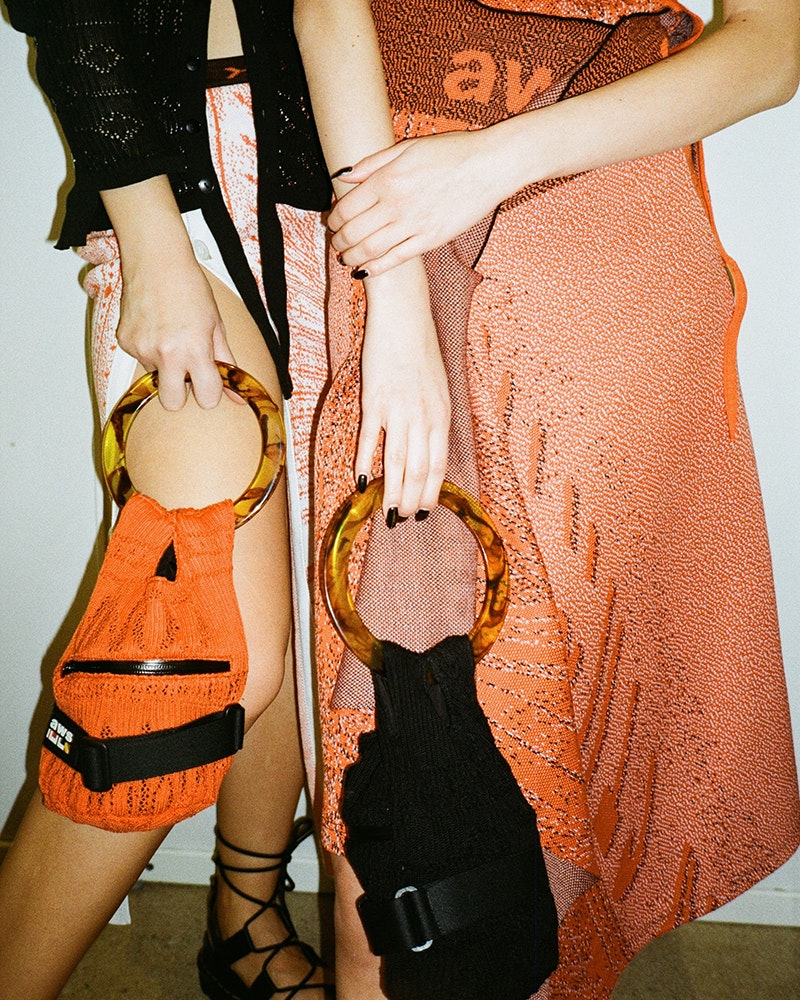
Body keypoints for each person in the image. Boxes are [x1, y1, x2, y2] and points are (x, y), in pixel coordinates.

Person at [292, 1, 800, 998]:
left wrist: (487, 163)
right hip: (399, 221)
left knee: (576, 765)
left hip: (610, 260)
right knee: (401, 789)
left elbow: (771, 48)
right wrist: (394, 292)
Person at [0, 1, 332, 998]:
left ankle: (245, 912)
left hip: (335, 209)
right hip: (175, 200)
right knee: (192, 651)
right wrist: (150, 244)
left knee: (300, 625)